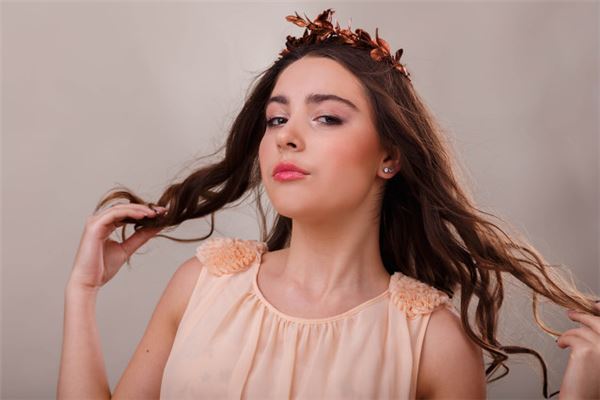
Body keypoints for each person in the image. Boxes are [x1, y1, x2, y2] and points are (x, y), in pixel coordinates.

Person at [57, 8, 600, 399]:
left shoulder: (432, 341)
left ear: (389, 156)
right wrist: (82, 294)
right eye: (276, 118)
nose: (286, 137)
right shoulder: (202, 284)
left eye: (326, 117)